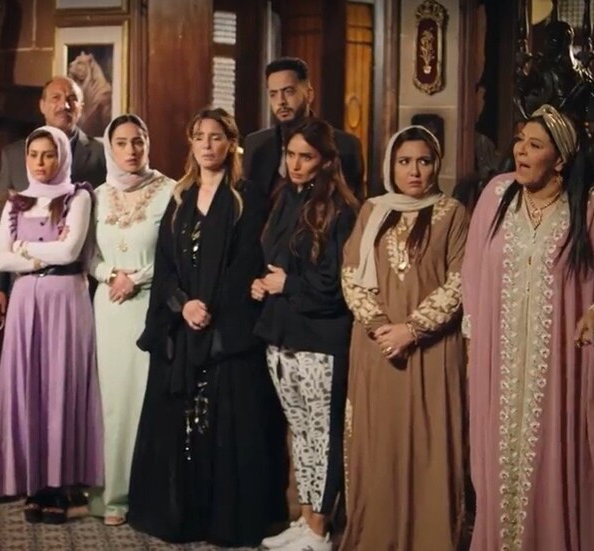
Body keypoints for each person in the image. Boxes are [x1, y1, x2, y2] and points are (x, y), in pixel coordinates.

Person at [129, 108, 288, 547]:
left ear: (230, 143)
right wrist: (183, 305)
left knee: (226, 425)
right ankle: (185, 514)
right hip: (183, 327)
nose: (206, 145)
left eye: (215, 137)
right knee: (180, 427)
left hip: (227, 332)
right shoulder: (179, 197)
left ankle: (224, 519)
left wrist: (212, 310)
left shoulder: (247, 197)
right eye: (199, 136)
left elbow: (246, 264)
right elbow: (165, 263)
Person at [462, 104, 594, 551]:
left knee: (552, 456)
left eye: (535, 145)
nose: (520, 150)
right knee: (497, 461)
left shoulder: (584, 207)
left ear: (559, 159)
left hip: (558, 366)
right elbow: (472, 272)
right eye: (520, 140)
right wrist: (473, 344)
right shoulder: (497, 195)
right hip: (497, 361)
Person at [340, 126, 469, 550]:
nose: (414, 171)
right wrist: (381, 327)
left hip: (431, 349)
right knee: (380, 446)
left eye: (424, 161)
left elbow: (460, 282)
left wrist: (411, 330)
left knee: (430, 447)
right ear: (390, 166)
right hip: (377, 349)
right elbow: (351, 275)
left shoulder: (454, 213)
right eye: (404, 161)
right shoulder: (372, 210)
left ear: (437, 164)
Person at [251, 118, 358, 551]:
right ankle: (306, 517)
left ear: (327, 161)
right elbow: (275, 261)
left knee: (321, 432)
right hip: (281, 333)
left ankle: (320, 527)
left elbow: (336, 285)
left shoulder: (341, 210)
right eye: (291, 155)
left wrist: (287, 284)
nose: (295, 164)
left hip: (320, 338)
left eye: (306, 157)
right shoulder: (285, 198)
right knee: (300, 430)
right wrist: (263, 283)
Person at [0, 125, 104, 524]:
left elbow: (70, 251)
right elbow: (0, 258)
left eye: (49, 154)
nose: (41, 162)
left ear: (62, 157)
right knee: (28, 386)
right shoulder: (16, 201)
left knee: (60, 386)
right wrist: (39, 255)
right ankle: (33, 483)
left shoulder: (78, 196)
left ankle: (61, 484)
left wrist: (25, 250)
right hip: (25, 301)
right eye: (34, 155)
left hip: (65, 298)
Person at [86, 114, 175, 526]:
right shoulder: (97, 196)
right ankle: (112, 494)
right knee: (111, 402)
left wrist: (135, 278)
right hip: (109, 308)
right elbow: (89, 254)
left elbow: (174, 255)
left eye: (138, 141)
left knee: (145, 397)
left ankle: (147, 493)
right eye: (121, 143)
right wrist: (110, 275)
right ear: (110, 148)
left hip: (149, 306)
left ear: (148, 143)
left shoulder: (170, 191)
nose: (131, 150)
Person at [0, 77, 107, 327]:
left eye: (72, 99)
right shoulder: (15, 155)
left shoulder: (101, 154)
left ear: (81, 107)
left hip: (81, 282)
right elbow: (0, 221)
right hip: (25, 281)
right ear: (42, 105)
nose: (64, 105)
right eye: (56, 98)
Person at [243, 57, 364, 203]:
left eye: (288, 92)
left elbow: (354, 205)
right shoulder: (255, 144)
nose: (281, 101)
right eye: (273, 94)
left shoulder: (344, 145)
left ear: (309, 94)